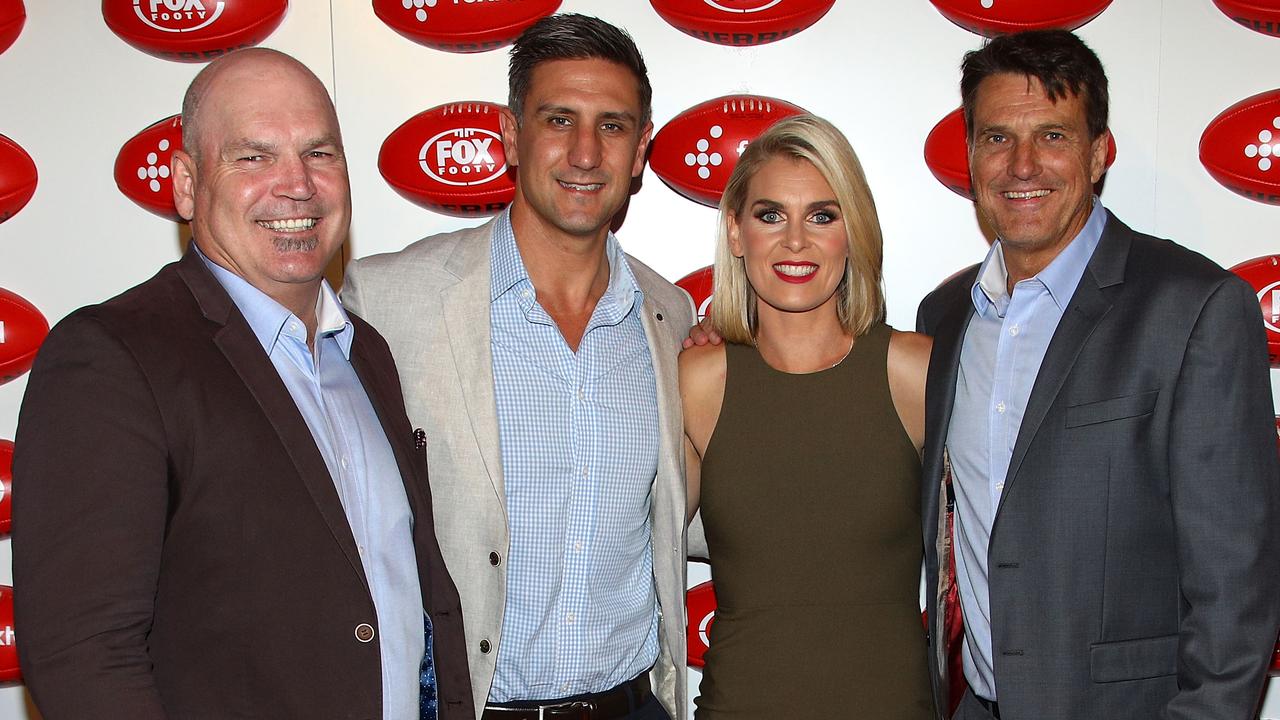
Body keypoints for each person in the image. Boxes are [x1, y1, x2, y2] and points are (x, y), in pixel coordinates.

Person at [12, 48, 472, 720]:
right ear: (186, 184)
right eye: (253, 157)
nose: (297, 185)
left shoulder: (364, 353)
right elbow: (84, 659)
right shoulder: (112, 359)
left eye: (320, 154)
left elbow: (413, 606)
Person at [916, 29, 1280, 719]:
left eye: (1052, 136)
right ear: (970, 156)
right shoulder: (945, 318)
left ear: (1099, 152)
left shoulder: (1193, 308)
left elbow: (1237, 588)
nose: (1022, 165)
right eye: (996, 139)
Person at [341, 14, 694, 720]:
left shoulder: (671, 318)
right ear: (511, 135)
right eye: (559, 119)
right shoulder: (389, 302)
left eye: (614, 126)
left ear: (642, 150)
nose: (586, 153)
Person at [679, 114, 933, 719]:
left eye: (822, 215)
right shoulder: (698, 382)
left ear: (855, 232)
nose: (796, 240)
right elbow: (627, 536)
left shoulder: (914, 372)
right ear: (737, 234)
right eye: (770, 215)